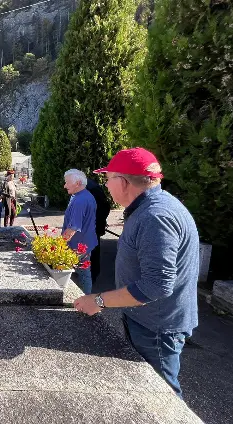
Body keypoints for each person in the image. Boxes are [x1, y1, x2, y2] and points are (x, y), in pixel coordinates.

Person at [74, 147, 199, 399]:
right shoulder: (151, 208)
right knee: (150, 390)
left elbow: (156, 285)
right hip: (148, 320)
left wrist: (98, 301)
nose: (106, 186)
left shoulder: (155, 216)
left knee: (163, 397)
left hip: (157, 327)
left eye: (108, 179)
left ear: (122, 182)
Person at [62, 169, 98, 295]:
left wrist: (59, 245)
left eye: (67, 183)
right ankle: (86, 298)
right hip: (85, 243)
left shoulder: (80, 200)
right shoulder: (86, 196)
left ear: (77, 183)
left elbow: (73, 227)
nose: (65, 185)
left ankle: (82, 300)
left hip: (77, 246)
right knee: (85, 273)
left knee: (71, 274)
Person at [86, 177, 111, 284]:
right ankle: (88, 273)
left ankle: (92, 276)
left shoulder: (91, 188)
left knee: (93, 251)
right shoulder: (86, 186)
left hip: (92, 226)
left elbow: (105, 207)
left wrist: (98, 222)